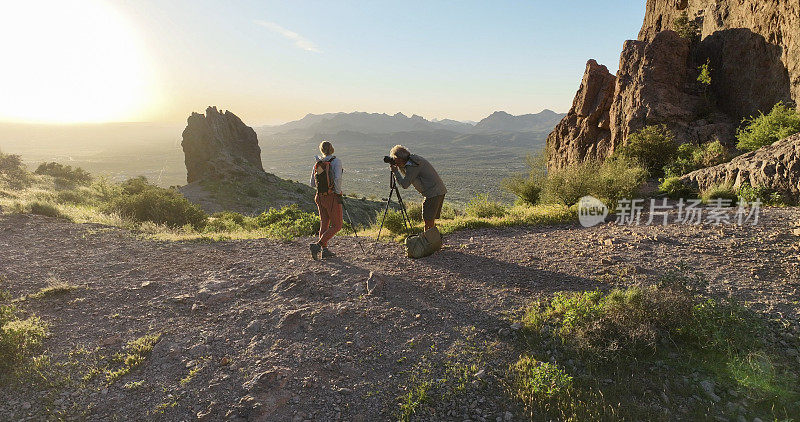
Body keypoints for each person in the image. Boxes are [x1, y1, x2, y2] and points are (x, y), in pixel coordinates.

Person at [388, 145, 447, 231]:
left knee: (428, 220)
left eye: (395, 159)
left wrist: (396, 172)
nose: (394, 161)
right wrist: (399, 166)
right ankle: (432, 239)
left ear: (400, 159)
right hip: (438, 191)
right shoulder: (414, 160)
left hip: (433, 193)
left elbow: (405, 184)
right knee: (430, 219)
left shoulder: (413, 166)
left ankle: (429, 241)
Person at [309, 141, 343, 260]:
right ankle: (317, 246)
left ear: (321, 150)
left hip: (319, 197)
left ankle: (325, 250)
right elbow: (338, 179)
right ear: (332, 149)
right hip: (331, 197)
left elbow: (312, 183)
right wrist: (338, 193)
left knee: (324, 223)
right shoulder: (336, 162)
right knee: (337, 225)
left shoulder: (318, 163)